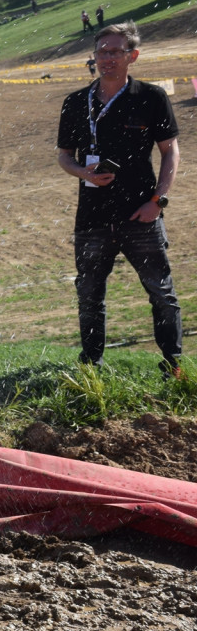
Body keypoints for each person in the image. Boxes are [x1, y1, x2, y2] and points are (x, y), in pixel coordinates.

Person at [56, 21, 183, 379]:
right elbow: (64, 156)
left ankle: (173, 364)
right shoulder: (76, 102)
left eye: (115, 52)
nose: (107, 59)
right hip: (93, 217)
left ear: (132, 56)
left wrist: (159, 200)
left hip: (141, 213)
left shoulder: (151, 97)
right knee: (90, 294)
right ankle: (92, 366)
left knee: (160, 291)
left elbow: (170, 153)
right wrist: (84, 173)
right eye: (101, 52)